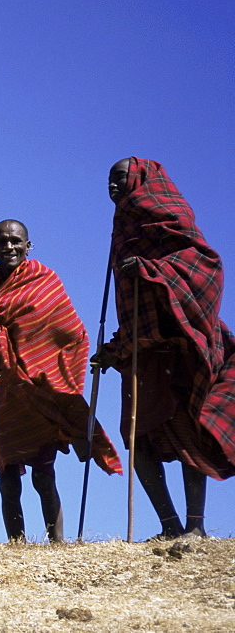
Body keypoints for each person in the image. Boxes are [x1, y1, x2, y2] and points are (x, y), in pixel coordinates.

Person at [92, 158, 235, 539]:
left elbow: (207, 267)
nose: (111, 186)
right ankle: (169, 526)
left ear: (140, 178)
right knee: (138, 440)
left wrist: (153, 270)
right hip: (142, 353)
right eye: (108, 180)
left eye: (119, 178)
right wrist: (113, 350)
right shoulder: (120, 229)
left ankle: (196, 527)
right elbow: (131, 308)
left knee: (188, 433)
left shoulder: (171, 211)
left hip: (180, 347)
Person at [0, 220, 122, 543]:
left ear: (28, 245)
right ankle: (16, 543)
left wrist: (49, 364)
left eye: (15, 241)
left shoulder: (44, 280)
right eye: (1, 242)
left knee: (42, 472)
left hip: (39, 385)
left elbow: (69, 330)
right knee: (7, 472)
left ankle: (56, 541)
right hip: (3, 389)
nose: (9, 247)